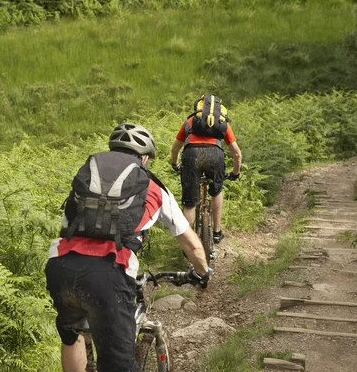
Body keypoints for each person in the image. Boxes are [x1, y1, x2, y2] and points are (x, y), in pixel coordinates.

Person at [45, 123, 212, 372]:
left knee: (72, 335)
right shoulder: (151, 185)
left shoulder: (88, 179)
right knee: (118, 365)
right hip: (108, 272)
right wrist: (202, 272)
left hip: (61, 267)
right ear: (144, 157)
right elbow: (189, 241)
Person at [170, 93, 242, 246]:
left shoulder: (190, 121)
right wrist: (235, 173)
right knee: (216, 191)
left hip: (191, 155)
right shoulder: (222, 123)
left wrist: (175, 164)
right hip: (215, 156)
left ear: (199, 108)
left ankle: (189, 243)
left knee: (190, 203)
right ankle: (216, 232)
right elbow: (236, 153)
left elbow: (175, 148)